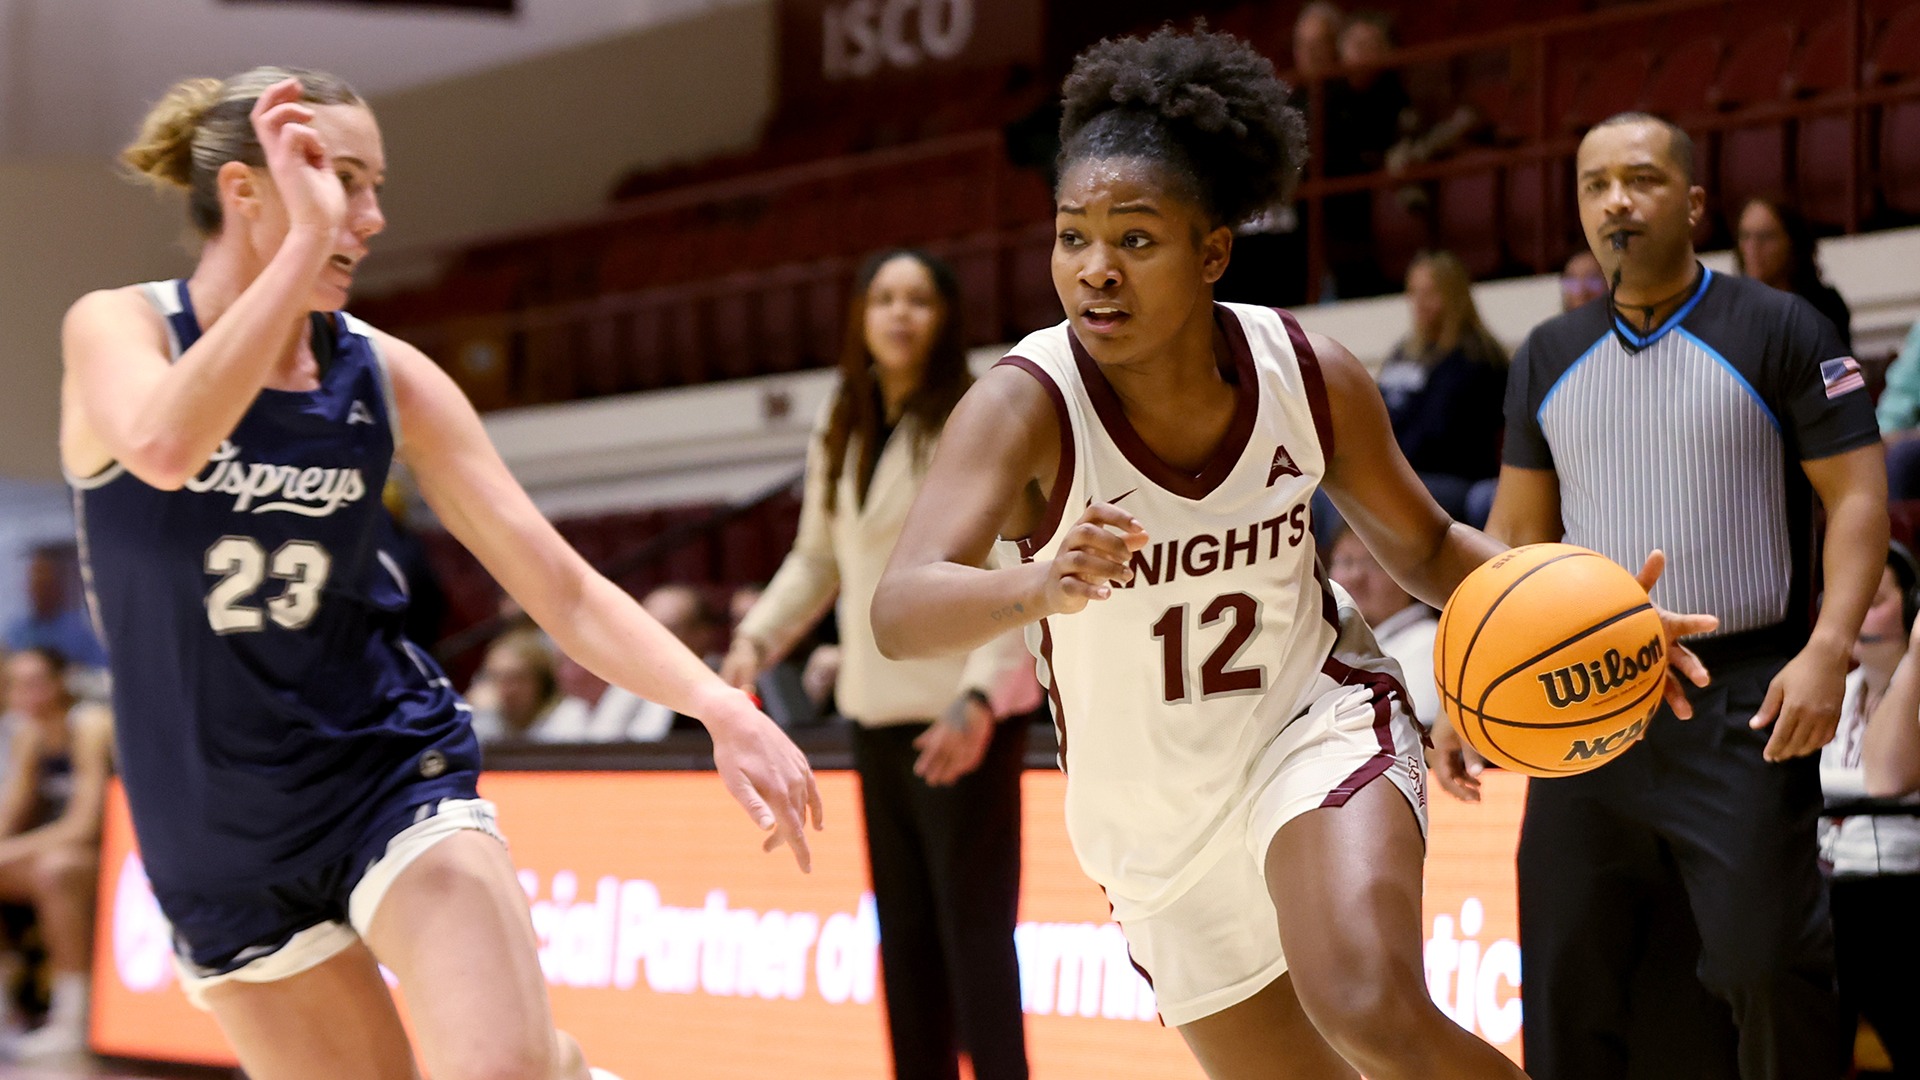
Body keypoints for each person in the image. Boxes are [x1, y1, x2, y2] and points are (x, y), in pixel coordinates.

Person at [871, 29, 1710, 1080]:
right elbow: (900, 609)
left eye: (1135, 240)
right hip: (1148, 826)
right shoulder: (1022, 401)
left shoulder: (1308, 374)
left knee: (1369, 1006)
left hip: (1310, 729)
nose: (1094, 270)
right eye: (1071, 236)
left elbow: (1425, 544)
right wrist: (1035, 583)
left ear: (1212, 250)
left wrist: (1595, 617)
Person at [62, 68, 819, 1079]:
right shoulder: (120, 328)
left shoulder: (384, 373)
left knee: (498, 1070)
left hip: (385, 774)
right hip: (211, 826)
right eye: (337, 180)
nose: (366, 217)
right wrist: (300, 249)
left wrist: (718, 704)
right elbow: (164, 445)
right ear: (247, 192)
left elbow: (560, 585)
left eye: (374, 186)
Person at [1480, 112, 1887, 1080]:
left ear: (1694, 202)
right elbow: (1511, 544)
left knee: (1766, 962)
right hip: (1583, 701)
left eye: (1641, 179)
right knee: (1571, 974)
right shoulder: (1544, 352)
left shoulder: (1783, 327)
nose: (1615, 200)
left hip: (1744, 700)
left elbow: (1860, 495)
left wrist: (1829, 647)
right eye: (1594, 185)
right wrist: (1471, 694)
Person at [721, 248, 1029, 1080]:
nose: (900, 314)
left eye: (919, 300)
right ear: (860, 316)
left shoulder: (974, 411)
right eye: (884, 299)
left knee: (977, 943)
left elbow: (1009, 564)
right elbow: (816, 558)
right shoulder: (843, 417)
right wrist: (757, 638)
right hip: (874, 713)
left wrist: (979, 700)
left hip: (958, 718)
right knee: (907, 946)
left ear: (946, 317)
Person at [1818, 542, 1920, 1077]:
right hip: (1829, 886)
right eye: (1846, 598)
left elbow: (1886, 779)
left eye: (1874, 599)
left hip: (1902, 890)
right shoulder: (1832, 690)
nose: (1856, 613)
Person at [0, 648, 113, 1060]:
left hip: (118, 861)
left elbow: (85, 827)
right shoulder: (30, 734)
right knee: (43, 866)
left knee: (57, 870)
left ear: (61, 681)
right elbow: (11, 814)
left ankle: (72, 1018)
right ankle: (8, 1012)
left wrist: (8, 851)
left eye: (34, 682)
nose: (24, 693)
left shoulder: (90, 724)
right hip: (58, 855)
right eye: (15, 683)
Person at [1374, 250, 1506, 520]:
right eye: (1414, 293)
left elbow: (1438, 434)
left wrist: (1386, 468)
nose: (1419, 303)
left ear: (1454, 296)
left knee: (1384, 500)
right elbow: (1373, 413)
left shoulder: (1476, 357)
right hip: (1403, 471)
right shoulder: (1404, 350)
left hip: (1452, 477)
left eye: (1430, 293)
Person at [1325, 526, 1437, 728]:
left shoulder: (1430, 641)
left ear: (1411, 575)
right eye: (1345, 561)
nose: (1355, 576)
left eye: (1374, 563)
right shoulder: (1329, 645)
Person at [1733, 196, 1853, 350]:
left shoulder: (1825, 308)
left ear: (1792, 243)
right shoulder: (1732, 313)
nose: (1753, 248)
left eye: (1766, 237)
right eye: (1746, 237)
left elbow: (1839, 371)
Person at [2, 551, 105, 672]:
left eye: (45, 583)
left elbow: (101, 669)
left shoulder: (79, 629)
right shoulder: (16, 631)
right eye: (35, 582)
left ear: (56, 587)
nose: (39, 590)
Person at [468, 628, 563, 744]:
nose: (507, 689)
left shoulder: (563, 722)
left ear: (543, 682)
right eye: (496, 677)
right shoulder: (483, 717)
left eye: (517, 678)